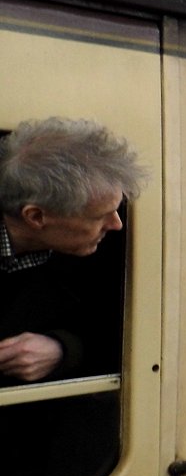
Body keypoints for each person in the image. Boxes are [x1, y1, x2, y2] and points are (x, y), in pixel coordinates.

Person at [0, 117, 145, 383]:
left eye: (117, 208)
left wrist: (65, 349)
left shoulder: (100, 251)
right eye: (100, 216)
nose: (117, 224)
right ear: (36, 217)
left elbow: (132, 335)